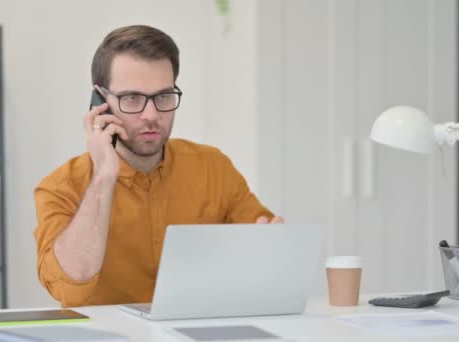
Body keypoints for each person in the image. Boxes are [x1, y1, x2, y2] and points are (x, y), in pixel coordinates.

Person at [33, 25, 283, 307]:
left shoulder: (214, 167)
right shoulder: (60, 187)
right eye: (132, 98)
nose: (151, 115)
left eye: (163, 96)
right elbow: (72, 281)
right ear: (100, 101)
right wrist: (104, 176)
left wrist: (269, 245)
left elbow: (263, 254)